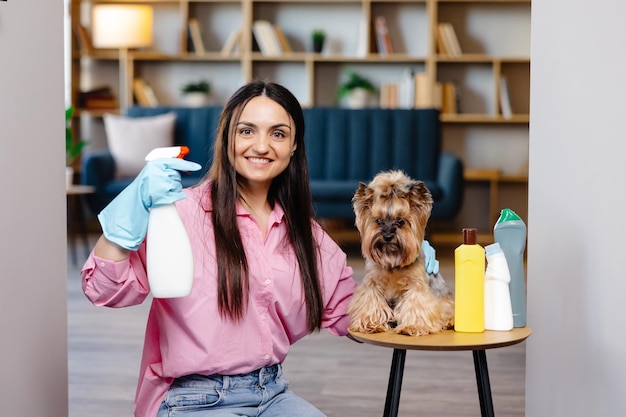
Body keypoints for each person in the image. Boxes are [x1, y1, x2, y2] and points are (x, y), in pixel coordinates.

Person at [81, 80, 439, 417]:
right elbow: (105, 291)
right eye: (247, 130)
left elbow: (353, 317)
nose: (262, 146)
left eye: (278, 134)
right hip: (190, 399)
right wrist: (124, 221)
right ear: (227, 137)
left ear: (294, 145)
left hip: (272, 394)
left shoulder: (308, 238)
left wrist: (408, 278)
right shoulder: (180, 214)